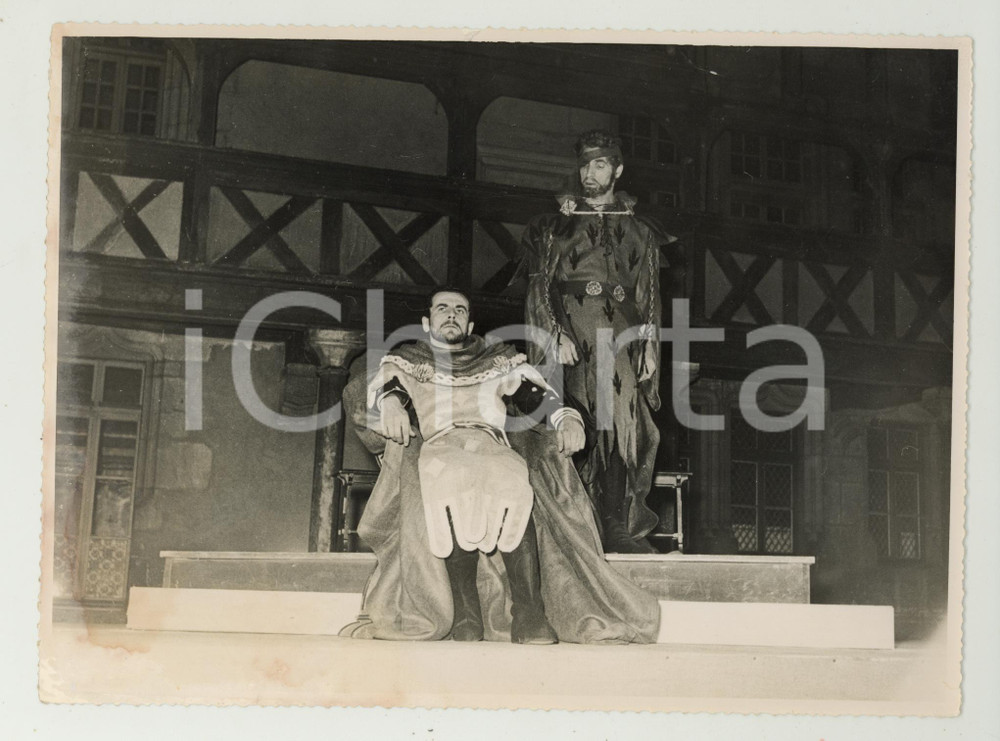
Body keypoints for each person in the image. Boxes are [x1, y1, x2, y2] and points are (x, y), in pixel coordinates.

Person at [340, 288, 660, 645]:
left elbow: (536, 396)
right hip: (439, 444)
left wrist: (567, 418)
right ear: (427, 322)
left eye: (459, 310)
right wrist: (392, 406)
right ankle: (465, 613)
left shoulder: (496, 360)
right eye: (442, 309)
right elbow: (390, 387)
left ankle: (529, 613)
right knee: (450, 481)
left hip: (490, 442)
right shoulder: (410, 359)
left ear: (470, 322)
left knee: (511, 478)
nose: (451, 315)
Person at [519, 129, 674, 554]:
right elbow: (540, 285)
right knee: (575, 417)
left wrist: (648, 348)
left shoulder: (641, 230)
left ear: (618, 170)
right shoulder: (556, 224)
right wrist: (553, 332)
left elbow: (649, 295)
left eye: (601, 164)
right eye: (585, 164)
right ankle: (576, 523)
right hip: (573, 326)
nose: (590, 172)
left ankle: (615, 525)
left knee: (622, 421)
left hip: (621, 334)